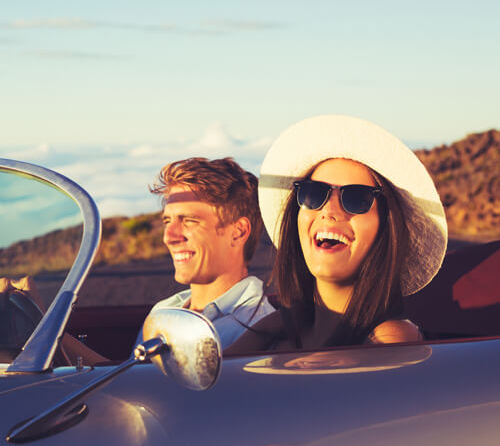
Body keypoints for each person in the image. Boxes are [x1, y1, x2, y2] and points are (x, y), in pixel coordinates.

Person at [229, 115, 447, 352]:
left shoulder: (390, 339)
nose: (329, 211)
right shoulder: (276, 329)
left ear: (386, 226)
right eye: (314, 193)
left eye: (356, 199)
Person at [142, 157, 275, 349]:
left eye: (189, 220)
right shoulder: (162, 311)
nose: (169, 237)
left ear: (238, 232)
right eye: (167, 221)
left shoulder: (256, 328)